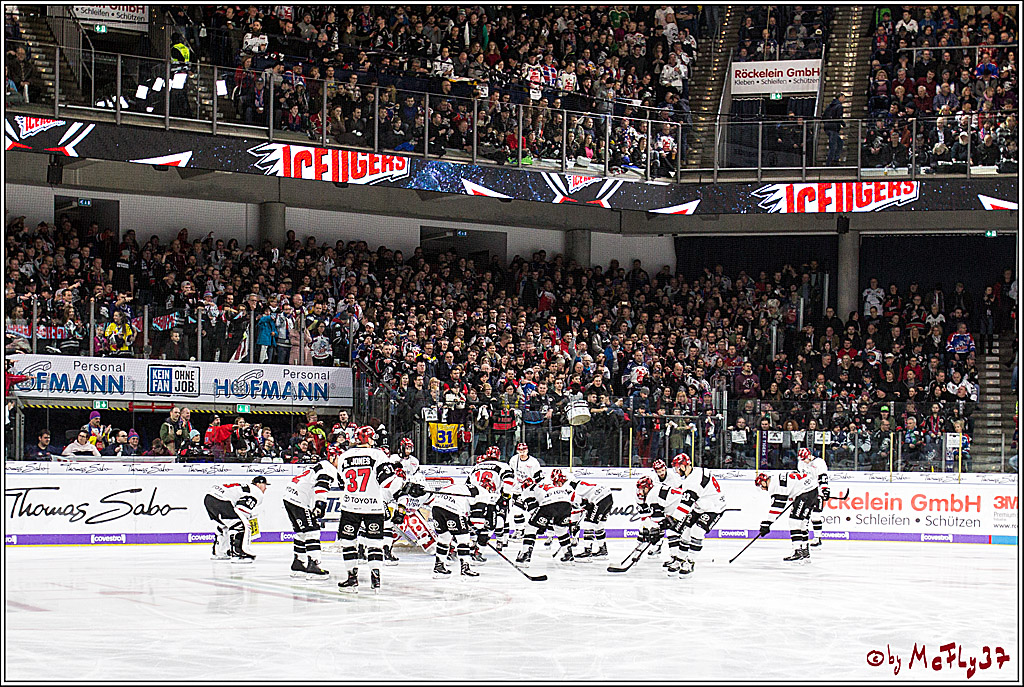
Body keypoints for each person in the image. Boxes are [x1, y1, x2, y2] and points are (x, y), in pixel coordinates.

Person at [336, 426, 421, 593]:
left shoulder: (343, 457)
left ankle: (352, 579)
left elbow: (341, 483)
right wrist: (408, 487)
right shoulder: (377, 455)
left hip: (350, 506)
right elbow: (388, 481)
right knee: (375, 544)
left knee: (348, 543)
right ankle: (376, 579)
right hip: (373, 507)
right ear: (368, 439)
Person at [282, 448, 340, 579]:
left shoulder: (320, 465)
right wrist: (320, 504)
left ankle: (298, 563)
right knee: (312, 531)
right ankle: (314, 565)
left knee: (301, 532)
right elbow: (322, 485)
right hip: (299, 499)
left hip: (289, 496)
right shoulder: (328, 468)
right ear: (332, 458)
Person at [669, 452, 727, 575]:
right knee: (686, 532)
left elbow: (685, 505)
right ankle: (680, 559)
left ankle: (690, 562)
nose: (676, 470)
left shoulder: (693, 480)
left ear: (683, 466)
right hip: (701, 506)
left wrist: (673, 519)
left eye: (677, 467)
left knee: (697, 531)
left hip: (714, 508)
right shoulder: (696, 472)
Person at [425, 472, 488, 578]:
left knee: (444, 537)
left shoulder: (460, 486)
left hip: (436, 506)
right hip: (453, 509)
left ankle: (439, 567)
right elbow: (478, 521)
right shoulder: (483, 492)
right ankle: (465, 568)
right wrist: (477, 530)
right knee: (464, 538)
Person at [754, 470, 818, 563]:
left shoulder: (774, 485)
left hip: (806, 493)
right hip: (812, 490)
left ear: (764, 482)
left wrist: (767, 523)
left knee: (794, 521)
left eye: (761, 486)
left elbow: (778, 505)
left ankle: (797, 551)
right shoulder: (777, 478)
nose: (763, 488)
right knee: (803, 523)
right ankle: (804, 550)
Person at [515, 470, 575, 567]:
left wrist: (541, 526)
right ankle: (568, 554)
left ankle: (525, 554)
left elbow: (533, 510)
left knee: (530, 528)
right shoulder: (546, 483)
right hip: (566, 503)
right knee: (561, 530)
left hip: (549, 503)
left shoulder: (527, 490)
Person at [204, 476, 269, 562]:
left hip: (209, 497)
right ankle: (238, 554)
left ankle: (219, 552)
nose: (266, 488)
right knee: (239, 525)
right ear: (259, 484)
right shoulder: (256, 491)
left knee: (224, 525)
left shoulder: (245, 487)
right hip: (222, 500)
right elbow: (241, 509)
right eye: (265, 485)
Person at [467, 445, 513, 559]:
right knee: (490, 527)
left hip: (474, 499)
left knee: (471, 524)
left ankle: (461, 547)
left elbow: (467, 484)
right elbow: (509, 480)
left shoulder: (476, 466)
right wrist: (505, 496)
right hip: (490, 499)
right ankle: (479, 551)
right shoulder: (502, 465)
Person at [568, 472, 614, 559]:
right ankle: (602, 550)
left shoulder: (574, 494)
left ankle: (587, 551)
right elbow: (587, 506)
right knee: (599, 525)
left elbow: (582, 507)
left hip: (600, 499)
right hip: (608, 497)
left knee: (588, 524)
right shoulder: (580, 486)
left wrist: (574, 524)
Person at [508, 442, 542, 539]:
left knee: (533, 511)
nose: (522, 453)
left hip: (529, 491)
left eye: (524, 450)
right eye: (520, 451)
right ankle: (520, 530)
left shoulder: (533, 462)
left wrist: (533, 486)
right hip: (517, 490)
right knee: (516, 510)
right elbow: (510, 474)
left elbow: (539, 478)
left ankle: (539, 529)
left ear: (527, 450)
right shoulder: (514, 460)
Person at [797, 447, 830, 546]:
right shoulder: (801, 463)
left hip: (817, 492)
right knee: (804, 517)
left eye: (805, 459)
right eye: (802, 459)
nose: (804, 461)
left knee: (816, 516)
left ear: (809, 455)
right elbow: (800, 478)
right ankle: (804, 539)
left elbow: (823, 477)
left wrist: (825, 489)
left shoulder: (819, 462)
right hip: (806, 492)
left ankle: (817, 538)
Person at [823, 93, 846, 165]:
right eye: (843, 98)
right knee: (833, 146)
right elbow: (838, 117)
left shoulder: (829, 106)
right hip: (834, 127)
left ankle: (835, 159)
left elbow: (824, 116)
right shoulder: (839, 106)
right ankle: (829, 162)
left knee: (840, 142)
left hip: (827, 127)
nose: (844, 99)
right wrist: (843, 123)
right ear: (840, 97)